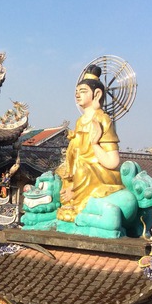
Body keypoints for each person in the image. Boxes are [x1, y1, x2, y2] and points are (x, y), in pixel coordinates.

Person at [56, 65, 122, 222]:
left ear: (97, 94)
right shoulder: (80, 122)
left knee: (83, 171)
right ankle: (70, 202)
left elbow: (113, 162)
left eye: (83, 91)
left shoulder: (103, 119)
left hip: (97, 173)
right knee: (62, 172)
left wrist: (94, 144)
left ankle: (79, 205)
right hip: (79, 171)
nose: (77, 95)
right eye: (77, 91)